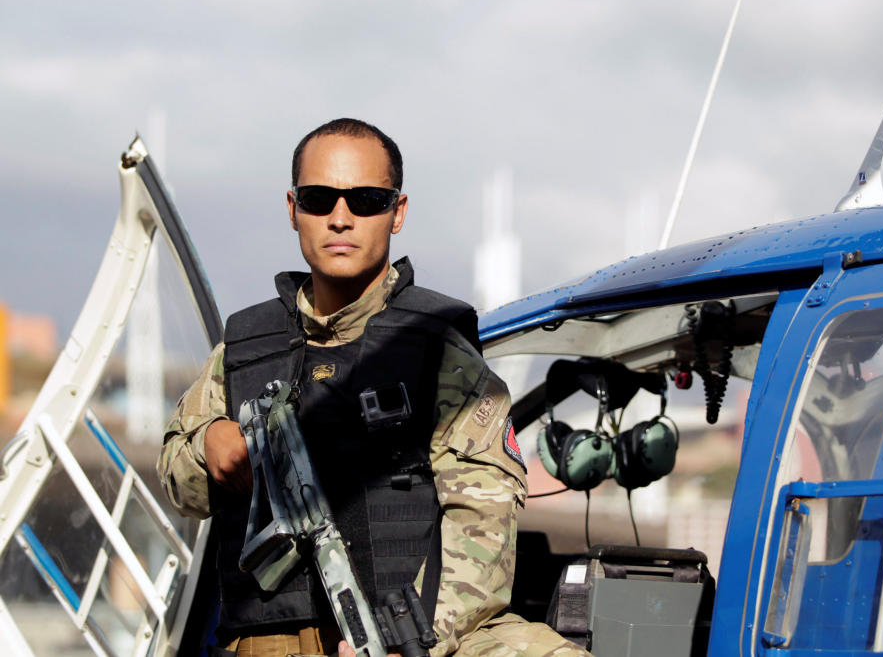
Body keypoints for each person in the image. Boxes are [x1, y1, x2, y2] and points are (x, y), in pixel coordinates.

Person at [158, 118, 590, 657]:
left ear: (397, 212)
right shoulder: (245, 348)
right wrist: (207, 450)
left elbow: (483, 525)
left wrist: (409, 640)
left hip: (415, 633)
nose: (341, 219)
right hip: (267, 640)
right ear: (292, 208)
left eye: (365, 199)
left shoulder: (439, 354)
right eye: (320, 199)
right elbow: (179, 478)